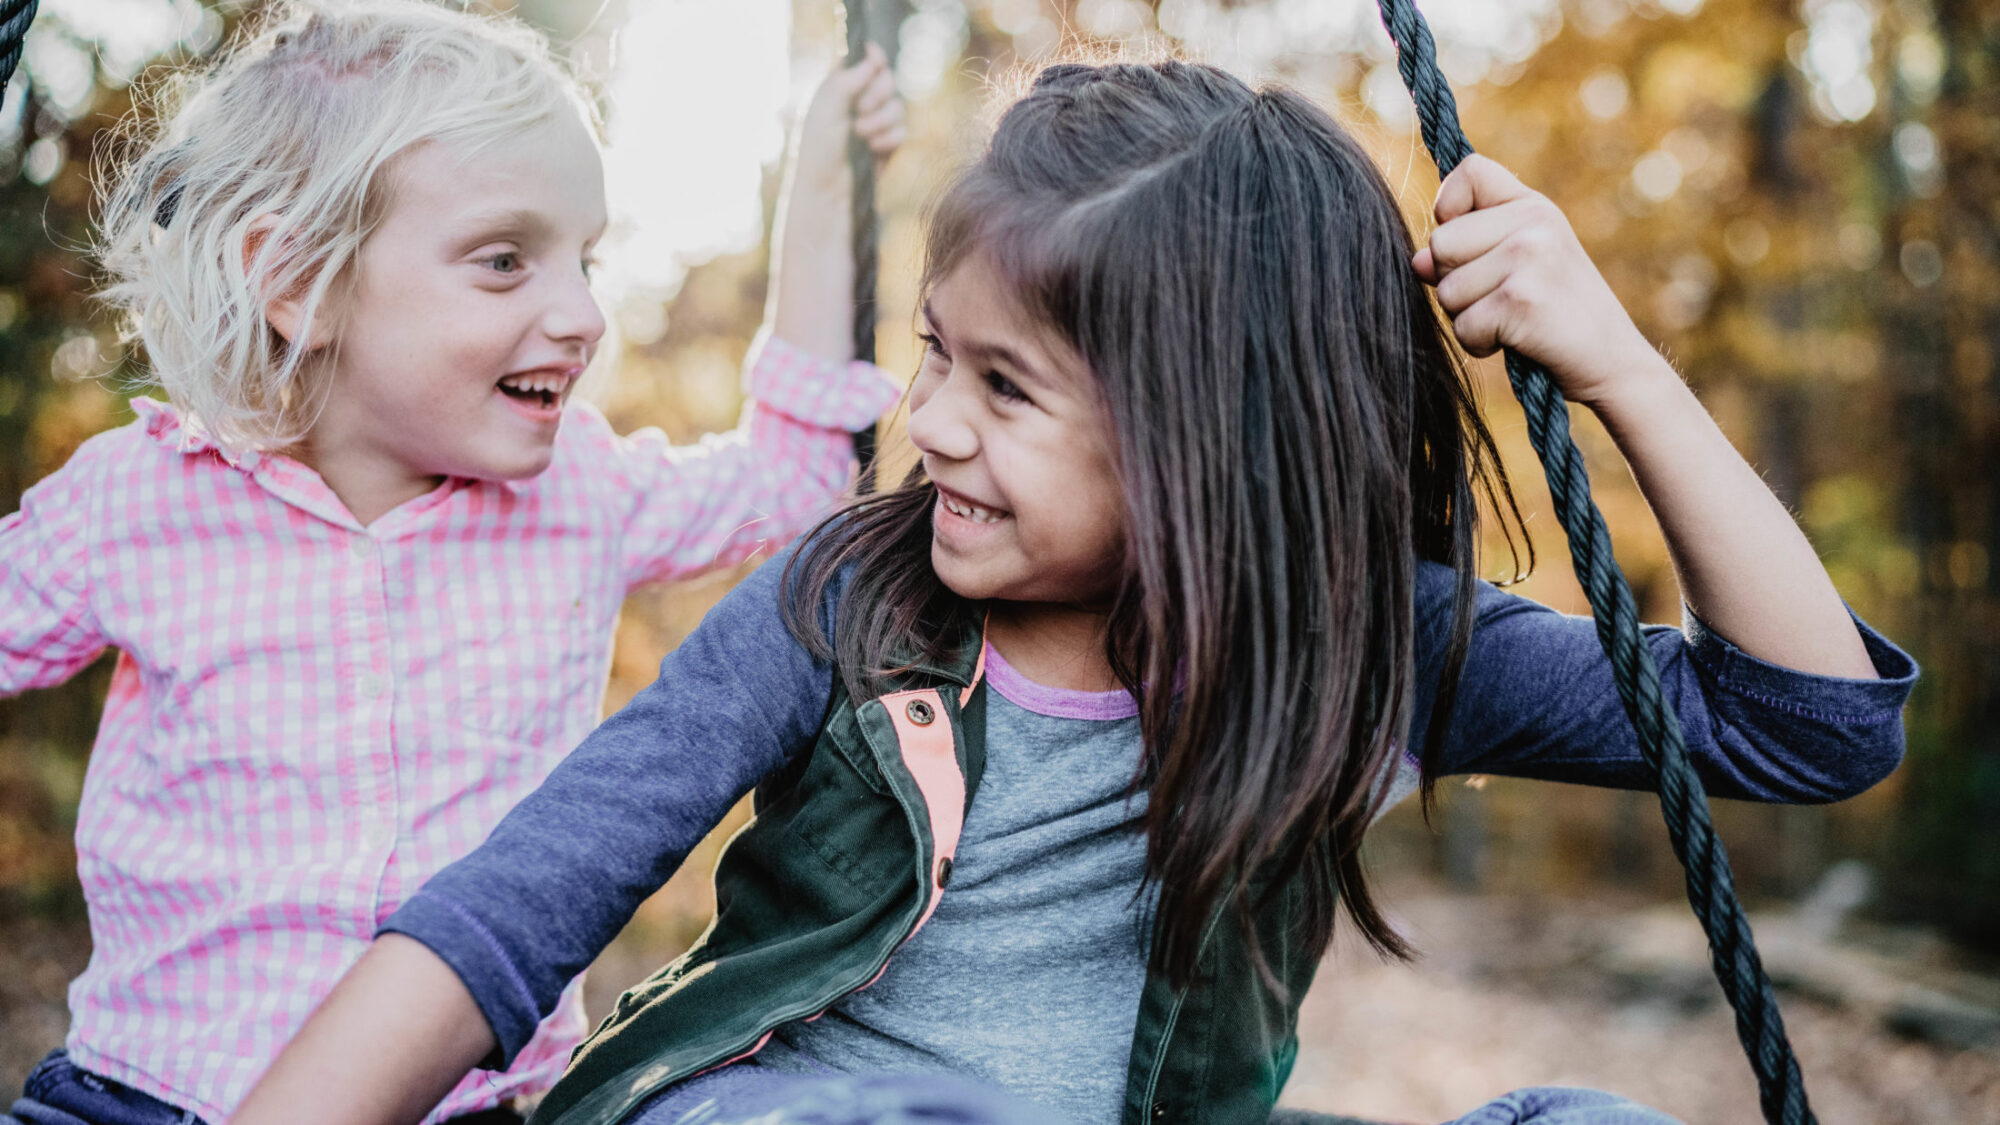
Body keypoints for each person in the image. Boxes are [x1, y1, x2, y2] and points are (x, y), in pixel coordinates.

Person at [235, 59, 1916, 1125]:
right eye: (932, 358)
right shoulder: (851, 601)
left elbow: (1804, 728)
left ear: (1206, 437)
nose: (933, 424)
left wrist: (1615, 364)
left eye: (1008, 388)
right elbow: (520, 904)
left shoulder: (1362, 648)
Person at [0, 1, 906, 1122]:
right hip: (144, 1098)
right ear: (297, 283)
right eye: (503, 261)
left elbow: (791, 485)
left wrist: (818, 192)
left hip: (463, 1106)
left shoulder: (578, 491)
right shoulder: (136, 499)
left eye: (584, 259)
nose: (579, 313)